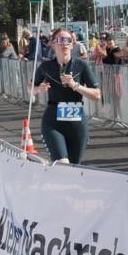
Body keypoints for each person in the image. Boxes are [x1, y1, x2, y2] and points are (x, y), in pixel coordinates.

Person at [32, 28, 101, 165]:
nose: (64, 43)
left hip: (76, 122)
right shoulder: (46, 66)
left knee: (74, 167)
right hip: (53, 122)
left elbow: (97, 95)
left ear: (72, 44)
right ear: (53, 44)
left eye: (68, 40)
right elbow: (30, 87)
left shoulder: (81, 65)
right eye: (60, 40)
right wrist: (37, 89)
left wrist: (75, 85)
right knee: (63, 164)